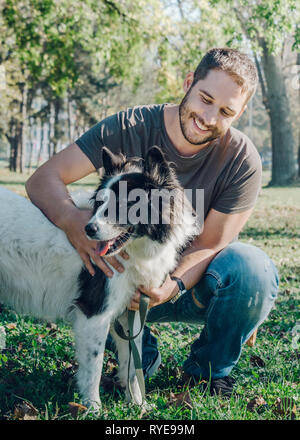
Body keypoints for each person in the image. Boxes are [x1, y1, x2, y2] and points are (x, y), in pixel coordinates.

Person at [26, 48, 279, 397]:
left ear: (239, 113)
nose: (207, 117)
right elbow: (43, 179)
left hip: (184, 285)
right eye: (205, 99)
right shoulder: (130, 126)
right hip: (119, 281)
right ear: (189, 83)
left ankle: (208, 371)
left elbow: (213, 243)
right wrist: (72, 220)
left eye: (225, 111)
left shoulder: (242, 159)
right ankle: (138, 354)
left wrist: (170, 286)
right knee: (128, 345)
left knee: (253, 270)